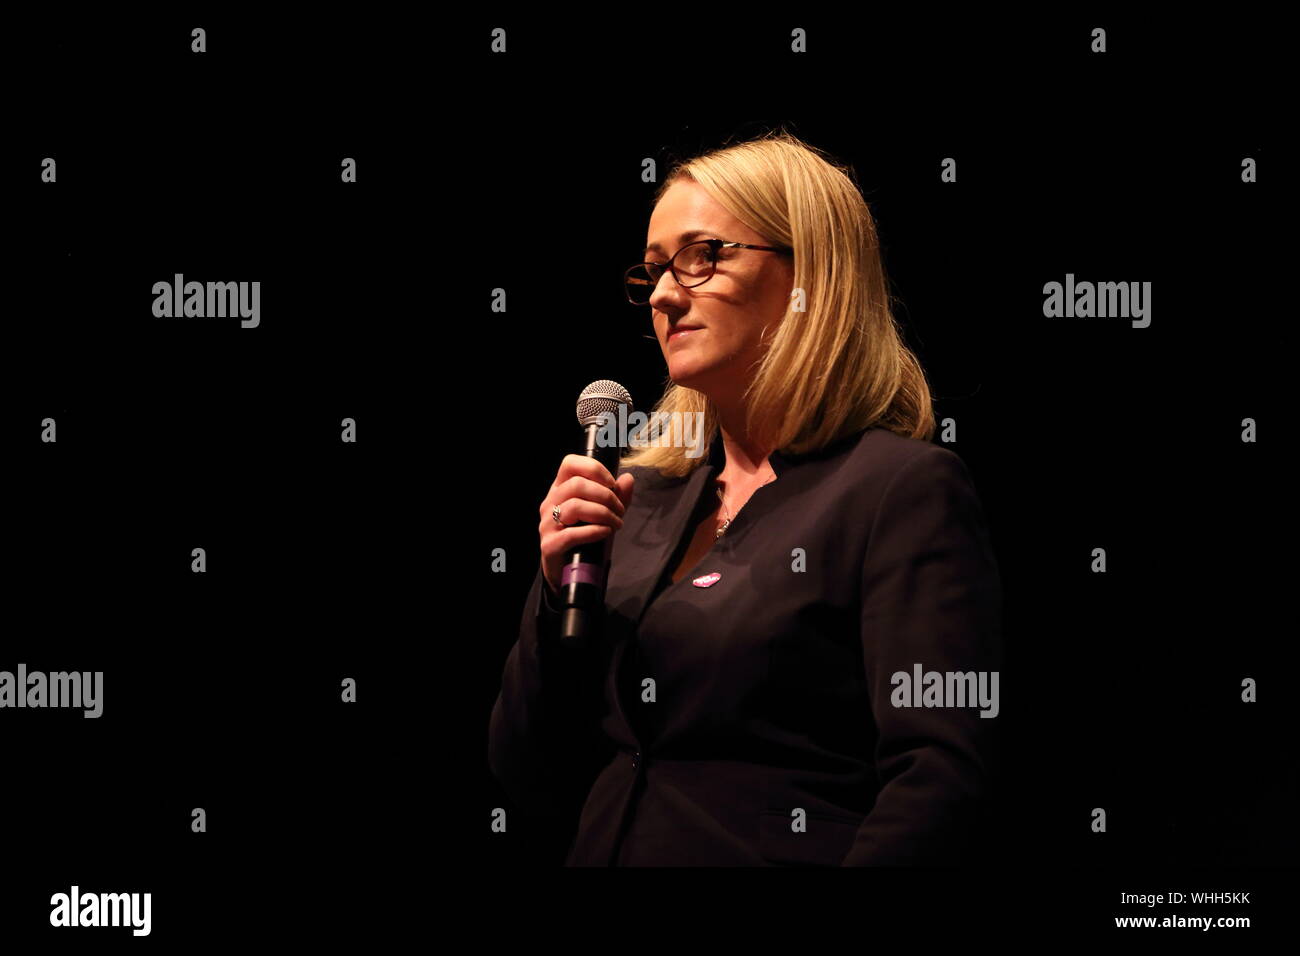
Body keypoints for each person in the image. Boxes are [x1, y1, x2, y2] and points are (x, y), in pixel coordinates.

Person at [489, 130, 1003, 866]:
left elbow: (942, 778)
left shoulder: (897, 492)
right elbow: (524, 768)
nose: (666, 294)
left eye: (704, 257)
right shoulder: (640, 501)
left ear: (810, 277)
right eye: (656, 270)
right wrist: (551, 594)